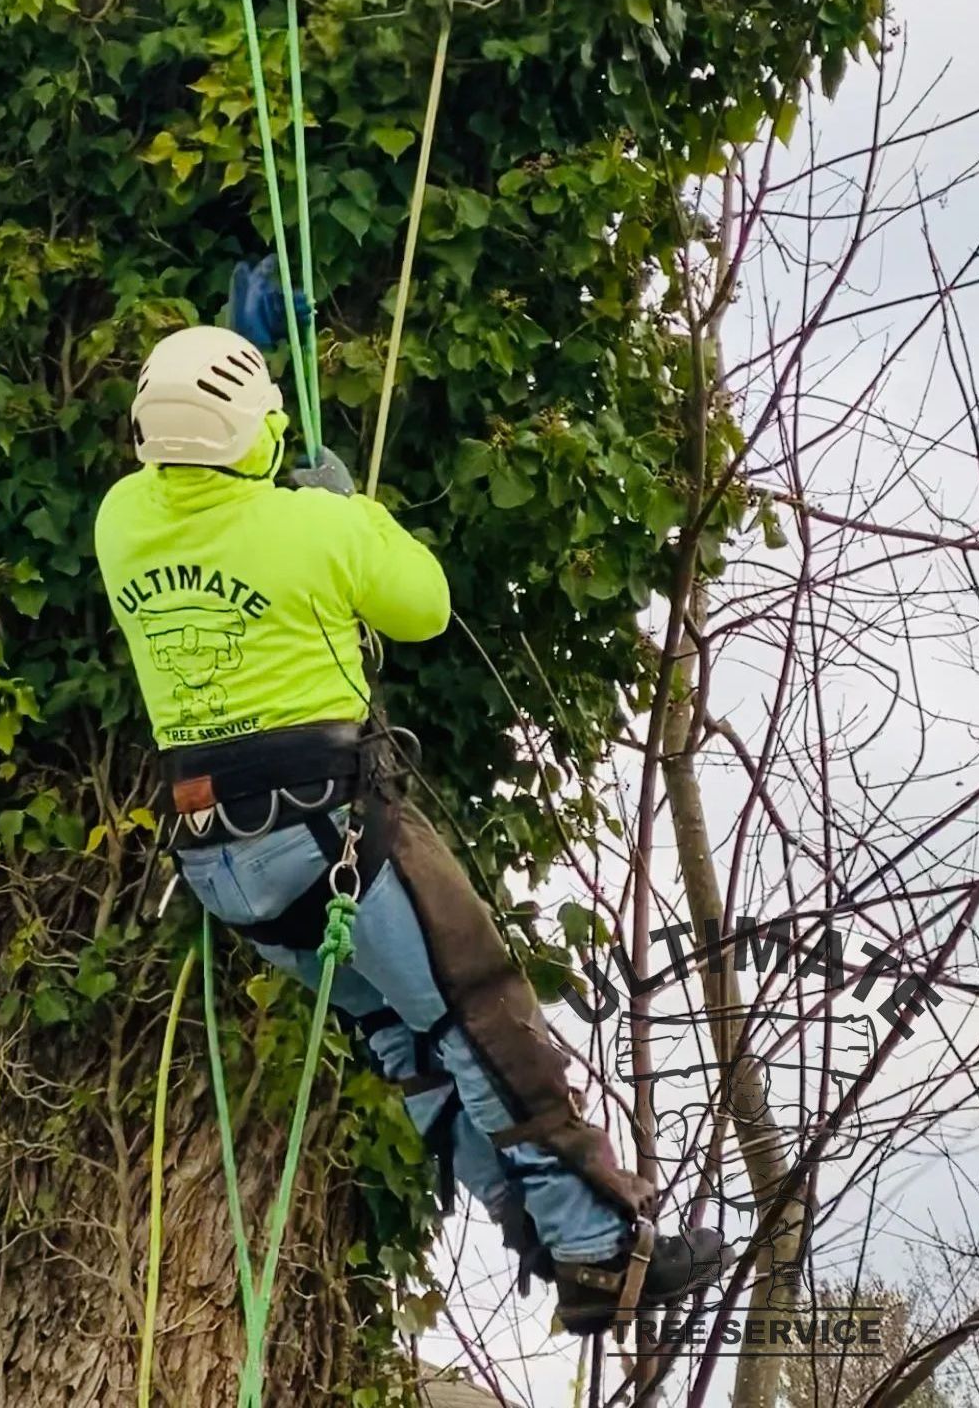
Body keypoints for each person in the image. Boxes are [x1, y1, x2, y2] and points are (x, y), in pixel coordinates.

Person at [93, 263, 731, 1335]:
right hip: (328, 828)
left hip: (223, 862)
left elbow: (200, 452)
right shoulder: (314, 530)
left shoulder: (124, 520)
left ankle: (529, 1221)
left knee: (409, 1042)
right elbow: (423, 606)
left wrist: (239, 365)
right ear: (255, 437)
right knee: (480, 1018)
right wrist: (350, 504)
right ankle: (596, 1245)